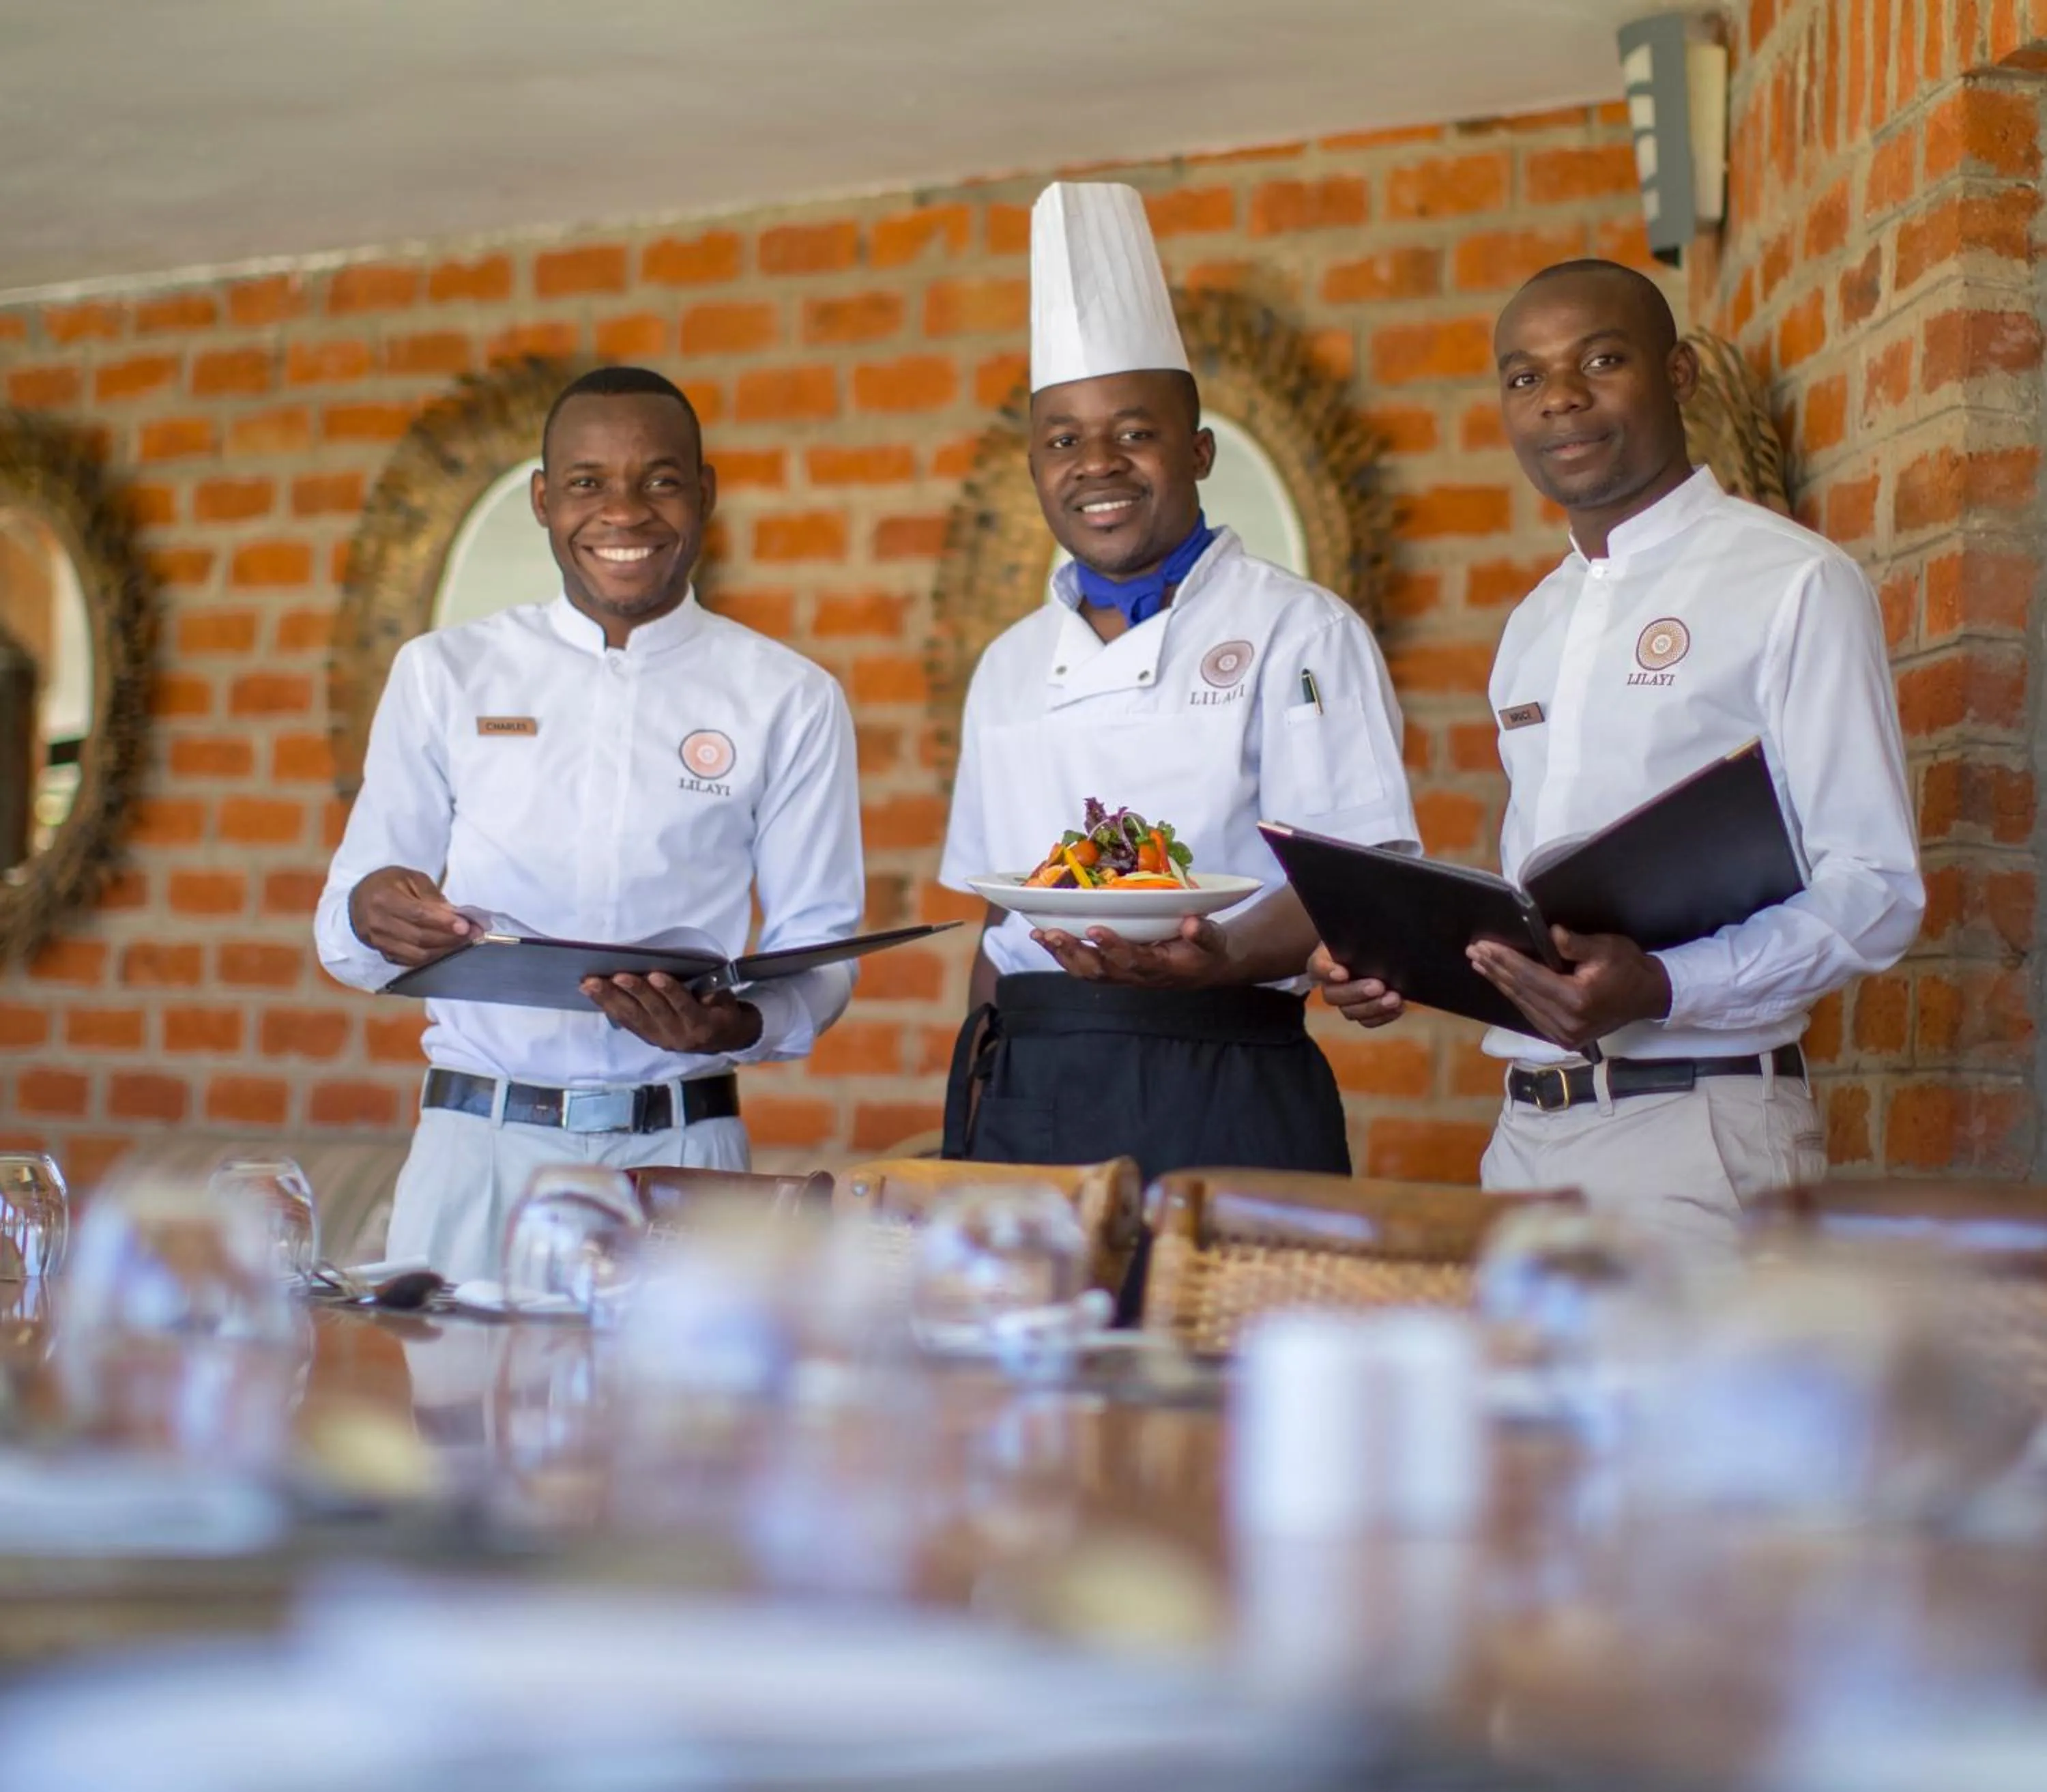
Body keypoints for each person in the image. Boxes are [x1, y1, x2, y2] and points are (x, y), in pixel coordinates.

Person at [1313, 260, 1923, 1243]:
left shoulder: (1793, 582)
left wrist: (1666, 985)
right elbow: (1542, 903)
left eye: (1602, 359)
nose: (1561, 397)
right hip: (1524, 1132)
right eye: (1525, 377)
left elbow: (1879, 889)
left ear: (1677, 375)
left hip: (1697, 1131)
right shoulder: (1536, 622)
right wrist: (1400, 964)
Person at [315, 366, 863, 1280]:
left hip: (685, 1159)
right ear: (542, 499)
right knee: (454, 1418)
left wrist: (733, 1027)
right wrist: (375, 909)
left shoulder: (789, 696)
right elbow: (346, 930)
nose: (625, 513)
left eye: (659, 479)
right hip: (475, 1156)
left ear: (705, 493)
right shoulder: (443, 673)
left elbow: (823, 949)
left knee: (679, 1426)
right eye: (586, 482)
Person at [937, 181, 1417, 1183]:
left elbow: (1356, 878)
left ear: (1198, 449)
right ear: (1035, 467)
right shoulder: (1008, 667)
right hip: (1032, 1079)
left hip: (1226, 1064)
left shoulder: (1299, 629)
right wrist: (973, 1104)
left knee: (1232, 1341)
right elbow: (1001, 920)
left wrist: (1228, 954)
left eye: (1134, 430)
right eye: (1063, 438)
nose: (1097, 462)